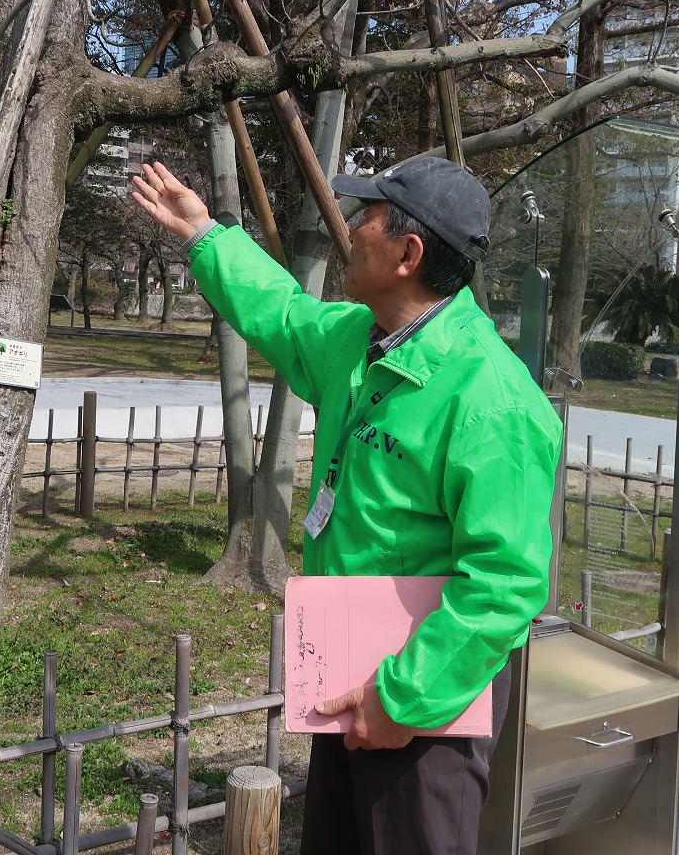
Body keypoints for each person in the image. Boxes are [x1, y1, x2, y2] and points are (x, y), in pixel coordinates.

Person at [131, 157, 561, 855]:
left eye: (371, 217)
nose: (353, 229)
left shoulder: (492, 400)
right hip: (347, 666)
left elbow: (504, 584)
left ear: (407, 254)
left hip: (427, 694)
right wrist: (205, 235)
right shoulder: (360, 342)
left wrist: (402, 699)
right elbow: (283, 312)